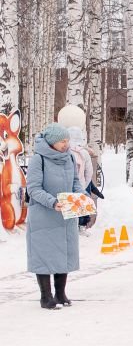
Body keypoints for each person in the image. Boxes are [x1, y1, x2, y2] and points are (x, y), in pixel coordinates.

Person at [25, 123, 85, 310]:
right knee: (44, 256)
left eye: (67, 141)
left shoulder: (68, 157)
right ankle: (46, 296)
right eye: (62, 141)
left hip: (66, 214)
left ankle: (60, 293)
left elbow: (75, 181)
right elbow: (33, 189)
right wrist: (52, 202)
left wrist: (80, 197)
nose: (66, 144)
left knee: (64, 254)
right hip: (44, 214)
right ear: (51, 142)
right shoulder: (38, 159)